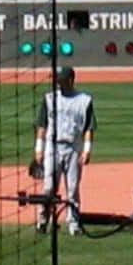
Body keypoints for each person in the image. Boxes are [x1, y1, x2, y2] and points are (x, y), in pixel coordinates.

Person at [32, 65, 95, 234]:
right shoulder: (49, 98)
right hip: (52, 147)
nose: (58, 84)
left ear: (71, 80)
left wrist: (87, 150)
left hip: (73, 148)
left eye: (61, 80)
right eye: (57, 80)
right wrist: (39, 149)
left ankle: (73, 223)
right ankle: (43, 221)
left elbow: (89, 128)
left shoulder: (84, 101)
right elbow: (42, 126)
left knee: (72, 189)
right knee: (48, 187)